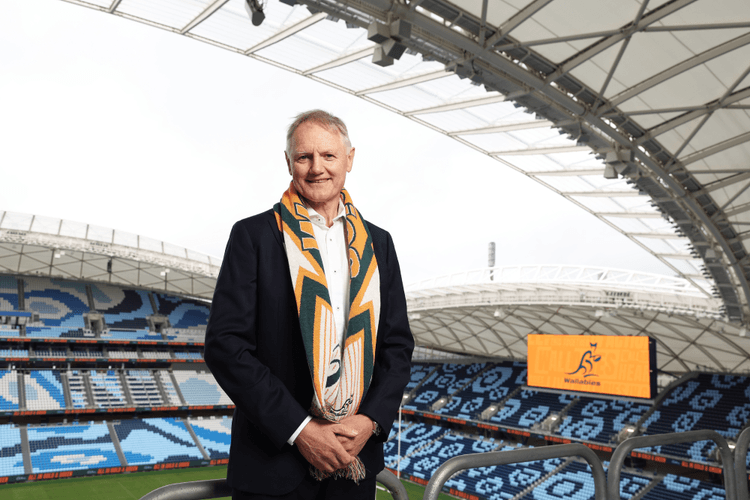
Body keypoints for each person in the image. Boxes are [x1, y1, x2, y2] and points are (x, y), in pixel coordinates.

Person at [204, 109, 414, 500]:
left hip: (353, 464)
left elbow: (397, 346)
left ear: (349, 159)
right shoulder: (254, 236)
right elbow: (225, 346)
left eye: (328, 155)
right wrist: (300, 430)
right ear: (289, 163)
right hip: (273, 469)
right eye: (304, 157)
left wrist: (370, 421)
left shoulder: (379, 244)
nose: (317, 168)